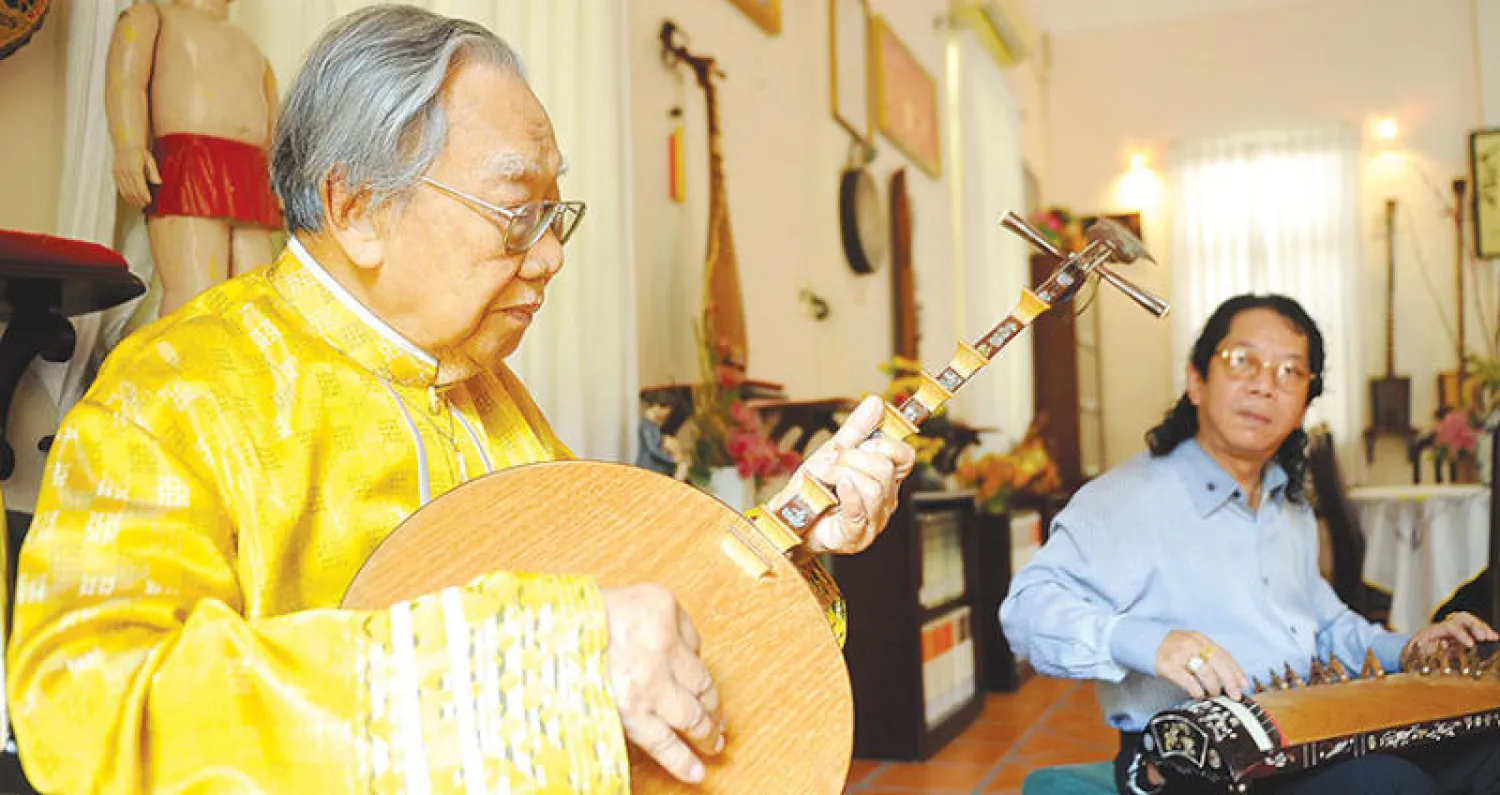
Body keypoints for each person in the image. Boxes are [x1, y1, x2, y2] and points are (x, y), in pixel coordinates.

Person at [10, 6, 915, 793]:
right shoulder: (177, 390)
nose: (553, 255)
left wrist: (788, 534)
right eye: (517, 208)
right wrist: (533, 664)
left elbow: (631, 628)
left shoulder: (489, 396)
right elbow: (87, 711)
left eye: (557, 214)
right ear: (358, 204)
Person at [1001, 294, 1500, 795]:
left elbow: (1324, 626)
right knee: (1385, 784)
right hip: (1187, 759)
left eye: (1290, 372)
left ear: (1306, 401)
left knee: (1488, 751)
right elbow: (1026, 611)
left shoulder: (1288, 503)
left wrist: (1408, 649)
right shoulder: (1125, 501)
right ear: (1196, 380)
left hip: (1302, 728)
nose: (1264, 385)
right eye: (1243, 362)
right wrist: (1146, 641)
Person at [106, 0, 281, 316]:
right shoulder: (150, 16)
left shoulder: (250, 45)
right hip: (190, 162)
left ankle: (237, 366)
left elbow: (271, 117)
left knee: (256, 299)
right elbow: (128, 83)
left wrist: (280, 176)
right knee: (197, 293)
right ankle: (184, 365)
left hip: (251, 171)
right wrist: (129, 146)